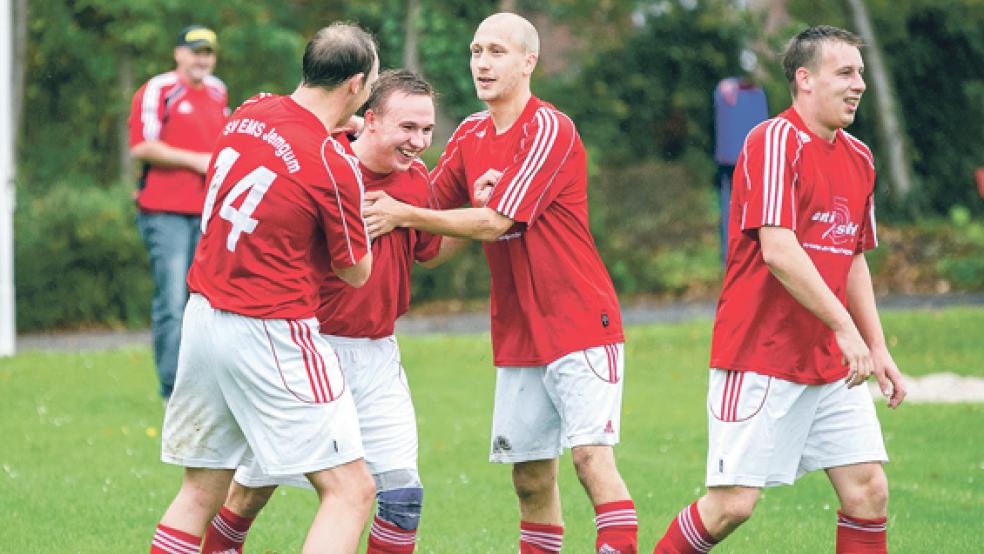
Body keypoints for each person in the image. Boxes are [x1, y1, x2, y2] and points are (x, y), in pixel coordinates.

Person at [363, 13, 637, 554]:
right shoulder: (468, 133)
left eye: (497, 52)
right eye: (476, 51)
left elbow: (494, 224)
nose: (482, 63)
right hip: (517, 330)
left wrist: (411, 213)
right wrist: (361, 158)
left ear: (528, 62)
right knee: (530, 479)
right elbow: (434, 246)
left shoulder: (548, 128)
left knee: (590, 460)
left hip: (581, 321)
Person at [652, 25, 907, 554]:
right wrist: (845, 328)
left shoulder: (859, 157)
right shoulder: (773, 141)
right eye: (846, 73)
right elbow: (779, 250)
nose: (858, 84)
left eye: (860, 73)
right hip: (759, 356)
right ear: (804, 79)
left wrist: (876, 345)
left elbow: (851, 256)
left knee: (868, 491)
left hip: (831, 360)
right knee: (732, 505)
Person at [198, 69, 458, 554]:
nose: (419, 141)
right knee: (252, 489)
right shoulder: (326, 162)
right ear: (371, 119)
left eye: (426, 129)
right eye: (407, 128)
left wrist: (458, 218)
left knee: (402, 499)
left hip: (378, 356)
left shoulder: (417, 180)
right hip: (307, 349)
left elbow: (429, 250)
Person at [150, 23, 379, 554]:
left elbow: (280, 167)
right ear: (356, 84)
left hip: (204, 318)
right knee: (350, 490)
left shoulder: (247, 112)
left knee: (201, 488)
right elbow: (356, 271)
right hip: (270, 329)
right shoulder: (333, 161)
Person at [128, 25, 229, 400]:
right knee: (171, 301)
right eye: (195, 51)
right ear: (178, 54)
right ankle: (171, 387)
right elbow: (142, 146)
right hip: (163, 211)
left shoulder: (218, 91)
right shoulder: (159, 90)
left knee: (206, 301)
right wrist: (197, 162)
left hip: (207, 213)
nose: (202, 58)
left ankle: (203, 382)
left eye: (208, 52)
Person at [712, 51, 769, 266]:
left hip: (750, 160)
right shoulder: (728, 90)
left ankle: (747, 257)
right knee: (732, 210)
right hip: (732, 161)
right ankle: (732, 257)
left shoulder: (750, 93)